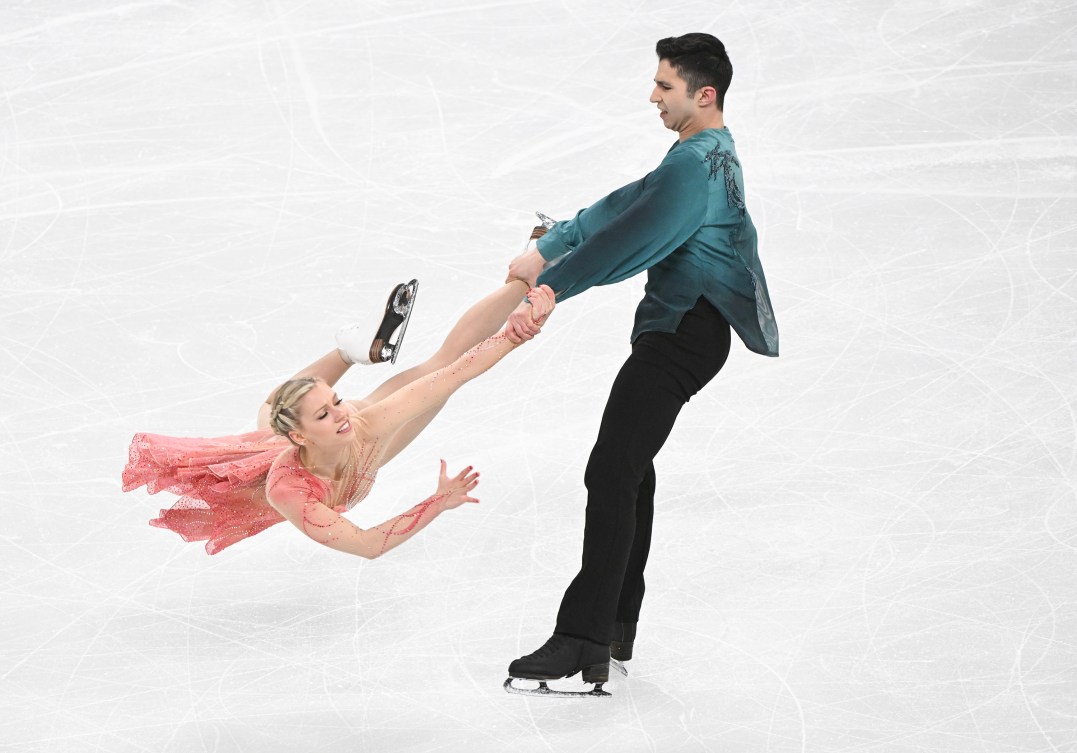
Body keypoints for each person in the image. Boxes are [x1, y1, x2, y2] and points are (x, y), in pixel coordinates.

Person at [503, 33, 779, 695]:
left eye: (664, 86)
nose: (652, 96)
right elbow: (627, 202)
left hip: (684, 332)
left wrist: (550, 286)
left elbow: (630, 235)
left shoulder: (697, 163)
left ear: (702, 94)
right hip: (684, 330)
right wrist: (556, 239)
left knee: (612, 467)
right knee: (631, 469)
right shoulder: (698, 155)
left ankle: (583, 633)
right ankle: (613, 626)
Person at [122, 278, 555, 558]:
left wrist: (516, 333)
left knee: (443, 366)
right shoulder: (288, 491)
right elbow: (367, 545)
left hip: (357, 454)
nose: (341, 413)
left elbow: (452, 374)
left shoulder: (361, 422)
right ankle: (348, 351)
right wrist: (437, 502)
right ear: (302, 436)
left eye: (337, 402)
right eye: (326, 414)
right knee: (268, 417)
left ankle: (523, 274)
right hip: (304, 461)